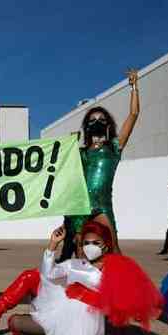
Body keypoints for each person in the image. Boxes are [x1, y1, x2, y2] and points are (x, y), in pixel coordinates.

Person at [0, 222, 162, 335]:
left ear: (106, 245)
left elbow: (127, 301)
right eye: (86, 243)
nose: (90, 247)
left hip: (78, 323)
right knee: (30, 275)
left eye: (95, 242)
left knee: (15, 323)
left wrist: (122, 330)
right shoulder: (75, 264)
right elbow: (48, 273)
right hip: (58, 303)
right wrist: (52, 245)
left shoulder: (116, 268)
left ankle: (22, 323)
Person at [66, 69, 140, 255]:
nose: (97, 121)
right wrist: (70, 145)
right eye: (92, 120)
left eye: (101, 119)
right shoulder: (80, 152)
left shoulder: (114, 147)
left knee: (113, 249)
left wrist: (134, 87)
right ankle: (82, 283)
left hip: (103, 205)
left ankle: (119, 283)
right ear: (87, 126)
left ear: (108, 124)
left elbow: (133, 114)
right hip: (80, 207)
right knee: (81, 252)